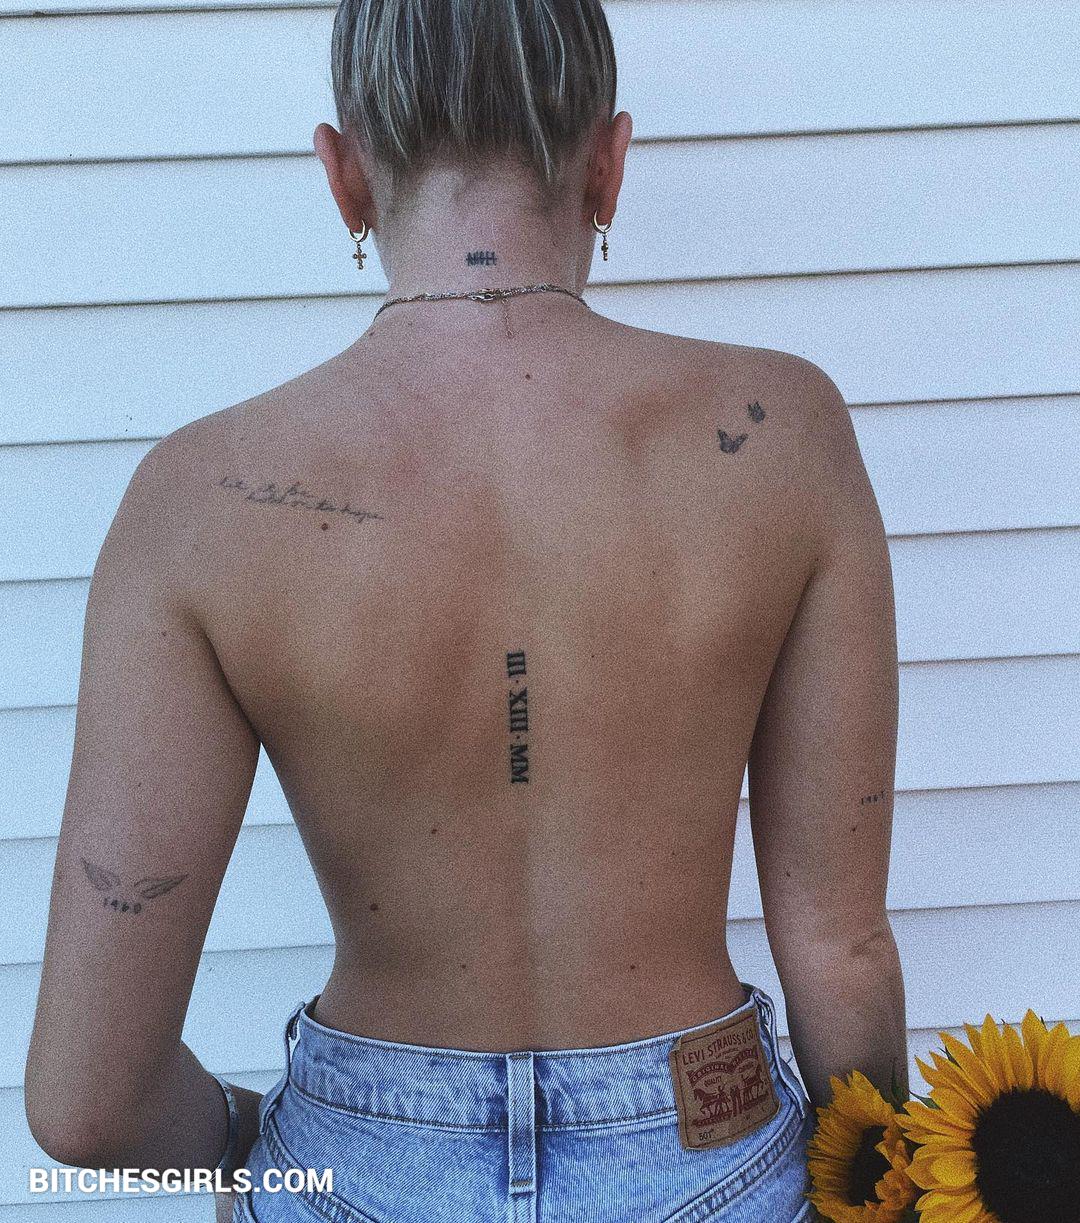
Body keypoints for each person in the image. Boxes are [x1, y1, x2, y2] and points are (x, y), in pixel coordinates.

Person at [24, 0, 908, 1219]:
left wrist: (262, 1143)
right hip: (710, 1150)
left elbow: (86, 1106)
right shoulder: (783, 435)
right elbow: (842, 952)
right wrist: (898, 1181)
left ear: (344, 177)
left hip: (355, 1166)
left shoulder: (199, 497)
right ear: (609, 163)